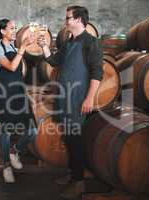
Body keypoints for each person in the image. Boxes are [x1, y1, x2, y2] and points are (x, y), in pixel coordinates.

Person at [38, 6, 103, 199]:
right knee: (67, 136)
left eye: (68, 18)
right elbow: (53, 61)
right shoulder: (68, 42)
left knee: (75, 139)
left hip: (78, 98)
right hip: (63, 96)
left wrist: (89, 98)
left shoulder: (91, 43)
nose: (65, 21)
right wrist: (43, 46)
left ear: (78, 20)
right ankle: (72, 174)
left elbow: (97, 73)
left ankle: (79, 182)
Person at [0, 19, 38, 183]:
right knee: (6, 132)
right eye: (12, 28)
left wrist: (34, 41)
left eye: (15, 28)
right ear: (3, 31)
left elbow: (22, 65)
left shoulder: (14, 48)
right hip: (5, 94)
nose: (15, 30)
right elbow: (11, 67)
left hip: (19, 92)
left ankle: (14, 150)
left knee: (33, 131)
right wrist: (23, 48)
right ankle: (6, 166)